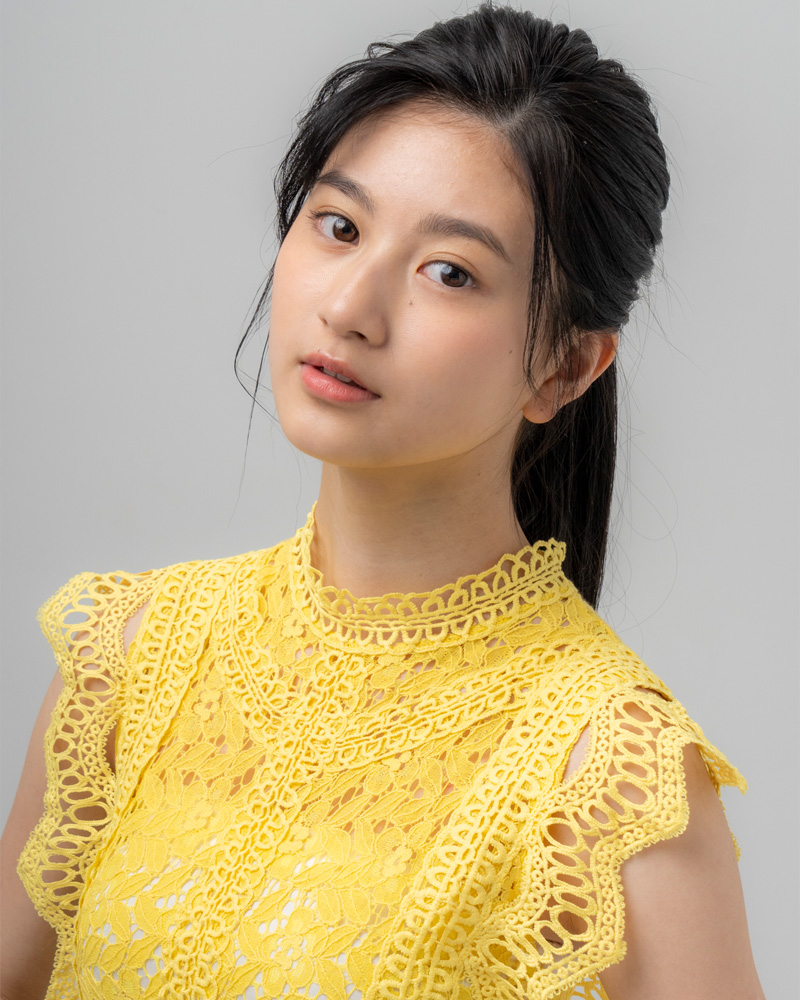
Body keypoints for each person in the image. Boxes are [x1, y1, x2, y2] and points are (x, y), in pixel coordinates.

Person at [1, 5, 765, 999]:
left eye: (448, 271)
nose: (350, 306)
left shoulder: (611, 774)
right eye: (337, 225)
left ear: (565, 366)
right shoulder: (131, 656)